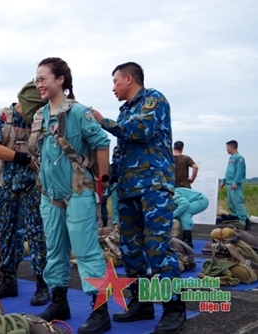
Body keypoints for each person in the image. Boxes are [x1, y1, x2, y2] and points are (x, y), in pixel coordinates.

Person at [92, 62, 184, 334]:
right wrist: (108, 179)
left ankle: (174, 307)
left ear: (129, 79)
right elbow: (121, 151)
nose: (113, 88)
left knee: (157, 249)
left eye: (116, 82)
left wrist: (103, 121)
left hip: (153, 188)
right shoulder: (126, 111)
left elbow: (140, 131)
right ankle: (141, 303)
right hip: (129, 190)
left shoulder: (154, 100)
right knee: (131, 252)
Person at [31, 57, 110, 333]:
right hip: (50, 196)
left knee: (87, 252)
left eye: (43, 78)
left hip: (78, 192)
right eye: (36, 79)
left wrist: (104, 181)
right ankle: (59, 301)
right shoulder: (39, 117)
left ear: (60, 79)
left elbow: (101, 142)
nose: (39, 83)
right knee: (55, 250)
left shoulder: (77, 112)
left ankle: (100, 311)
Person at [0, 81, 50, 306]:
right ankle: (8, 281)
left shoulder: (40, 121)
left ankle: (43, 285)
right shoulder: (0, 117)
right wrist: (24, 159)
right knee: (6, 236)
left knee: (36, 237)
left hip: (32, 187)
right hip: (5, 186)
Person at [219, 140, 250, 230]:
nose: (226, 149)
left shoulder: (239, 158)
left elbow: (239, 172)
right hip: (229, 183)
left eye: (227, 147)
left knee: (237, 203)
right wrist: (223, 181)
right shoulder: (231, 158)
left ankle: (244, 221)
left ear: (232, 147)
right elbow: (229, 172)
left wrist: (236, 182)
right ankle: (236, 219)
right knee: (231, 203)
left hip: (234, 185)